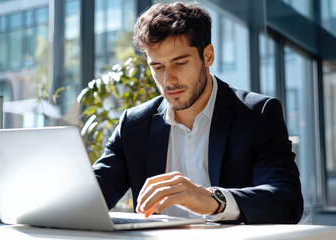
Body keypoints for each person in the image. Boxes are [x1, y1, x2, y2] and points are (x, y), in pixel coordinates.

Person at [92, 2, 303, 224]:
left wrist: (214, 200)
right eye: (158, 67)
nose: (168, 80)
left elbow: (286, 201)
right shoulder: (135, 125)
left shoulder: (257, 114)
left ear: (208, 56)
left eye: (180, 63)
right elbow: (91, 195)